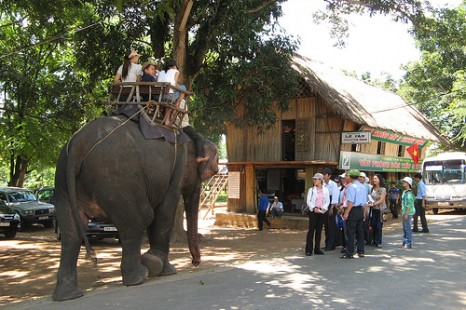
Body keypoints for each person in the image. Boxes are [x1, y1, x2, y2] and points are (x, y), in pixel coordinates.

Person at [341, 169, 367, 259]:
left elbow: (351, 202)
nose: (346, 177)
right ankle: (361, 251)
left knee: (350, 232)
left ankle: (350, 252)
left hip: (353, 210)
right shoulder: (363, 186)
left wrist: (346, 213)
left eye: (348, 176)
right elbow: (365, 202)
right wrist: (363, 213)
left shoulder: (352, 187)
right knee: (360, 232)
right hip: (360, 210)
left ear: (351, 177)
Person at [305, 173, 330, 256]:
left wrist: (324, 208)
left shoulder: (325, 190)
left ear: (320, 180)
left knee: (319, 230)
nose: (314, 181)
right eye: (314, 179)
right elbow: (308, 201)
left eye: (316, 179)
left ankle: (317, 248)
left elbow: (327, 201)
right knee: (311, 230)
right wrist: (313, 208)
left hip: (321, 211)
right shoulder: (311, 190)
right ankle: (309, 249)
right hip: (313, 211)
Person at [322, 168, 340, 251]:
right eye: (323, 174)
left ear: (329, 176)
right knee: (326, 225)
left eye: (325, 174)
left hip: (331, 205)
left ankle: (332, 244)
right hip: (325, 204)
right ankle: (327, 243)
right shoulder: (323, 185)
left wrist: (332, 208)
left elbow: (335, 197)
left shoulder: (333, 185)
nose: (323, 176)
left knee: (331, 226)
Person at [367, 174, 387, 247]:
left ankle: (378, 241)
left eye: (376, 178)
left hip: (381, 210)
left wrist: (374, 204)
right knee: (373, 225)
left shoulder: (383, 189)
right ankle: (374, 240)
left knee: (379, 225)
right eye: (374, 179)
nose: (374, 180)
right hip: (374, 209)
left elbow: (382, 200)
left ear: (379, 179)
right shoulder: (372, 188)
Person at [401, 177, 415, 248]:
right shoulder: (405, 192)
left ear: (408, 184)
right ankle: (404, 242)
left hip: (407, 213)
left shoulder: (408, 193)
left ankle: (408, 243)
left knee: (407, 228)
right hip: (405, 212)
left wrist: (406, 213)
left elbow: (409, 204)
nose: (403, 183)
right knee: (405, 228)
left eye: (404, 182)